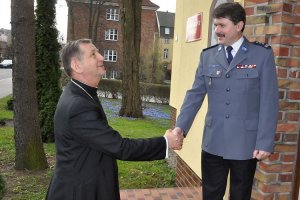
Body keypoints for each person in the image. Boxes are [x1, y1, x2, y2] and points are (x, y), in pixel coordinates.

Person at [46, 38, 183, 200]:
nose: (101, 57)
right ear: (76, 65)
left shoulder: (81, 93)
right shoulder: (79, 105)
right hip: (79, 192)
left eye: (97, 52)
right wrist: (166, 142)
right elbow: (120, 147)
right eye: (93, 54)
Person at [172, 2, 278, 200]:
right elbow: (194, 94)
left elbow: (269, 102)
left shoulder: (261, 55)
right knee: (211, 194)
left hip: (245, 144)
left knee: (240, 195)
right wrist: (180, 127)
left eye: (222, 25)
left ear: (239, 26)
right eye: (215, 26)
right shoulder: (208, 56)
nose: (217, 31)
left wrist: (265, 142)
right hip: (214, 142)